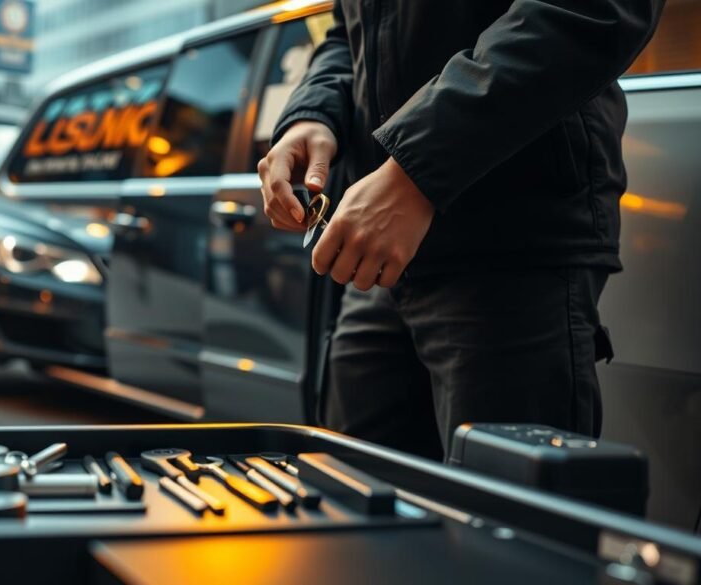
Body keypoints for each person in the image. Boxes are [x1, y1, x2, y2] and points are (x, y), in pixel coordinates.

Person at [258, 1, 662, 460]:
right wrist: (313, 112)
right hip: (382, 262)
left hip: (511, 244)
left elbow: (594, 10)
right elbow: (347, 34)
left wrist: (416, 170)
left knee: (504, 520)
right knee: (352, 497)